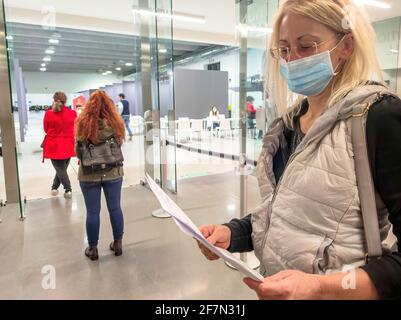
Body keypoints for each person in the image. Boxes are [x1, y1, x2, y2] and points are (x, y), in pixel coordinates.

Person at [197, 0, 401, 300]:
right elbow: (284, 212)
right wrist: (233, 234)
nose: (292, 60)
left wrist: (320, 288)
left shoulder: (378, 118)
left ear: (346, 46)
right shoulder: (288, 125)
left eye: (306, 46)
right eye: (284, 49)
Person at [75, 90, 126, 261]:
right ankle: (118, 244)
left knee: (92, 212)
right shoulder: (115, 123)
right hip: (113, 172)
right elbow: (119, 145)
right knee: (115, 208)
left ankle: (93, 248)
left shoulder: (83, 123)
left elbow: (78, 152)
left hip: (89, 175)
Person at [42, 91, 77, 199]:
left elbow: (46, 129)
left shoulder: (48, 113)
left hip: (54, 145)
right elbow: (75, 128)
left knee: (60, 169)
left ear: (54, 99)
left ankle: (68, 189)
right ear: (65, 101)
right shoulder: (73, 113)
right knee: (61, 169)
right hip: (68, 145)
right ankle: (54, 187)